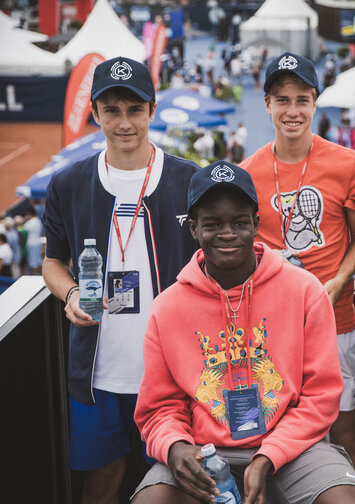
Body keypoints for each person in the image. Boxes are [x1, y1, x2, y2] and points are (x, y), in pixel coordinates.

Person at [131, 162, 355, 504]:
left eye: (240, 222)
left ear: (257, 225)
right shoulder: (167, 307)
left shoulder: (305, 291)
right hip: (205, 452)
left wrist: (268, 455)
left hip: (295, 448)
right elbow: (159, 408)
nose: (227, 233)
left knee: (349, 500)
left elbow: (321, 396)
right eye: (212, 224)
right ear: (194, 229)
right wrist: (175, 447)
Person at [41, 56, 199, 503]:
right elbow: (53, 262)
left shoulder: (188, 179)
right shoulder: (68, 183)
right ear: (95, 113)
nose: (124, 122)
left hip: (174, 372)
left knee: (176, 485)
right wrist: (70, 292)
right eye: (112, 110)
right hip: (98, 372)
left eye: (134, 109)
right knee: (102, 482)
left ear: (152, 110)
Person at [239, 52, 355, 488]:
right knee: (272, 435)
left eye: (302, 99)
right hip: (271, 330)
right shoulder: (248, 173)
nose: (292, 111)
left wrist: (337, 282)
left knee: (347, 430)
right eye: (282, 100)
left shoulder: (349, 164)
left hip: (336, 321)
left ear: (316, 102)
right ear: (267, 104)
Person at [23, 207, 43, 274]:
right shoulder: (38, 221)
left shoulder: (29, 223)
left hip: (31, 244)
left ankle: (35, 276)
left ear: (29, 214)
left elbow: (23, 230)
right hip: (37, 242)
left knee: (33, 262)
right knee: (38, 260)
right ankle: (41, 275)